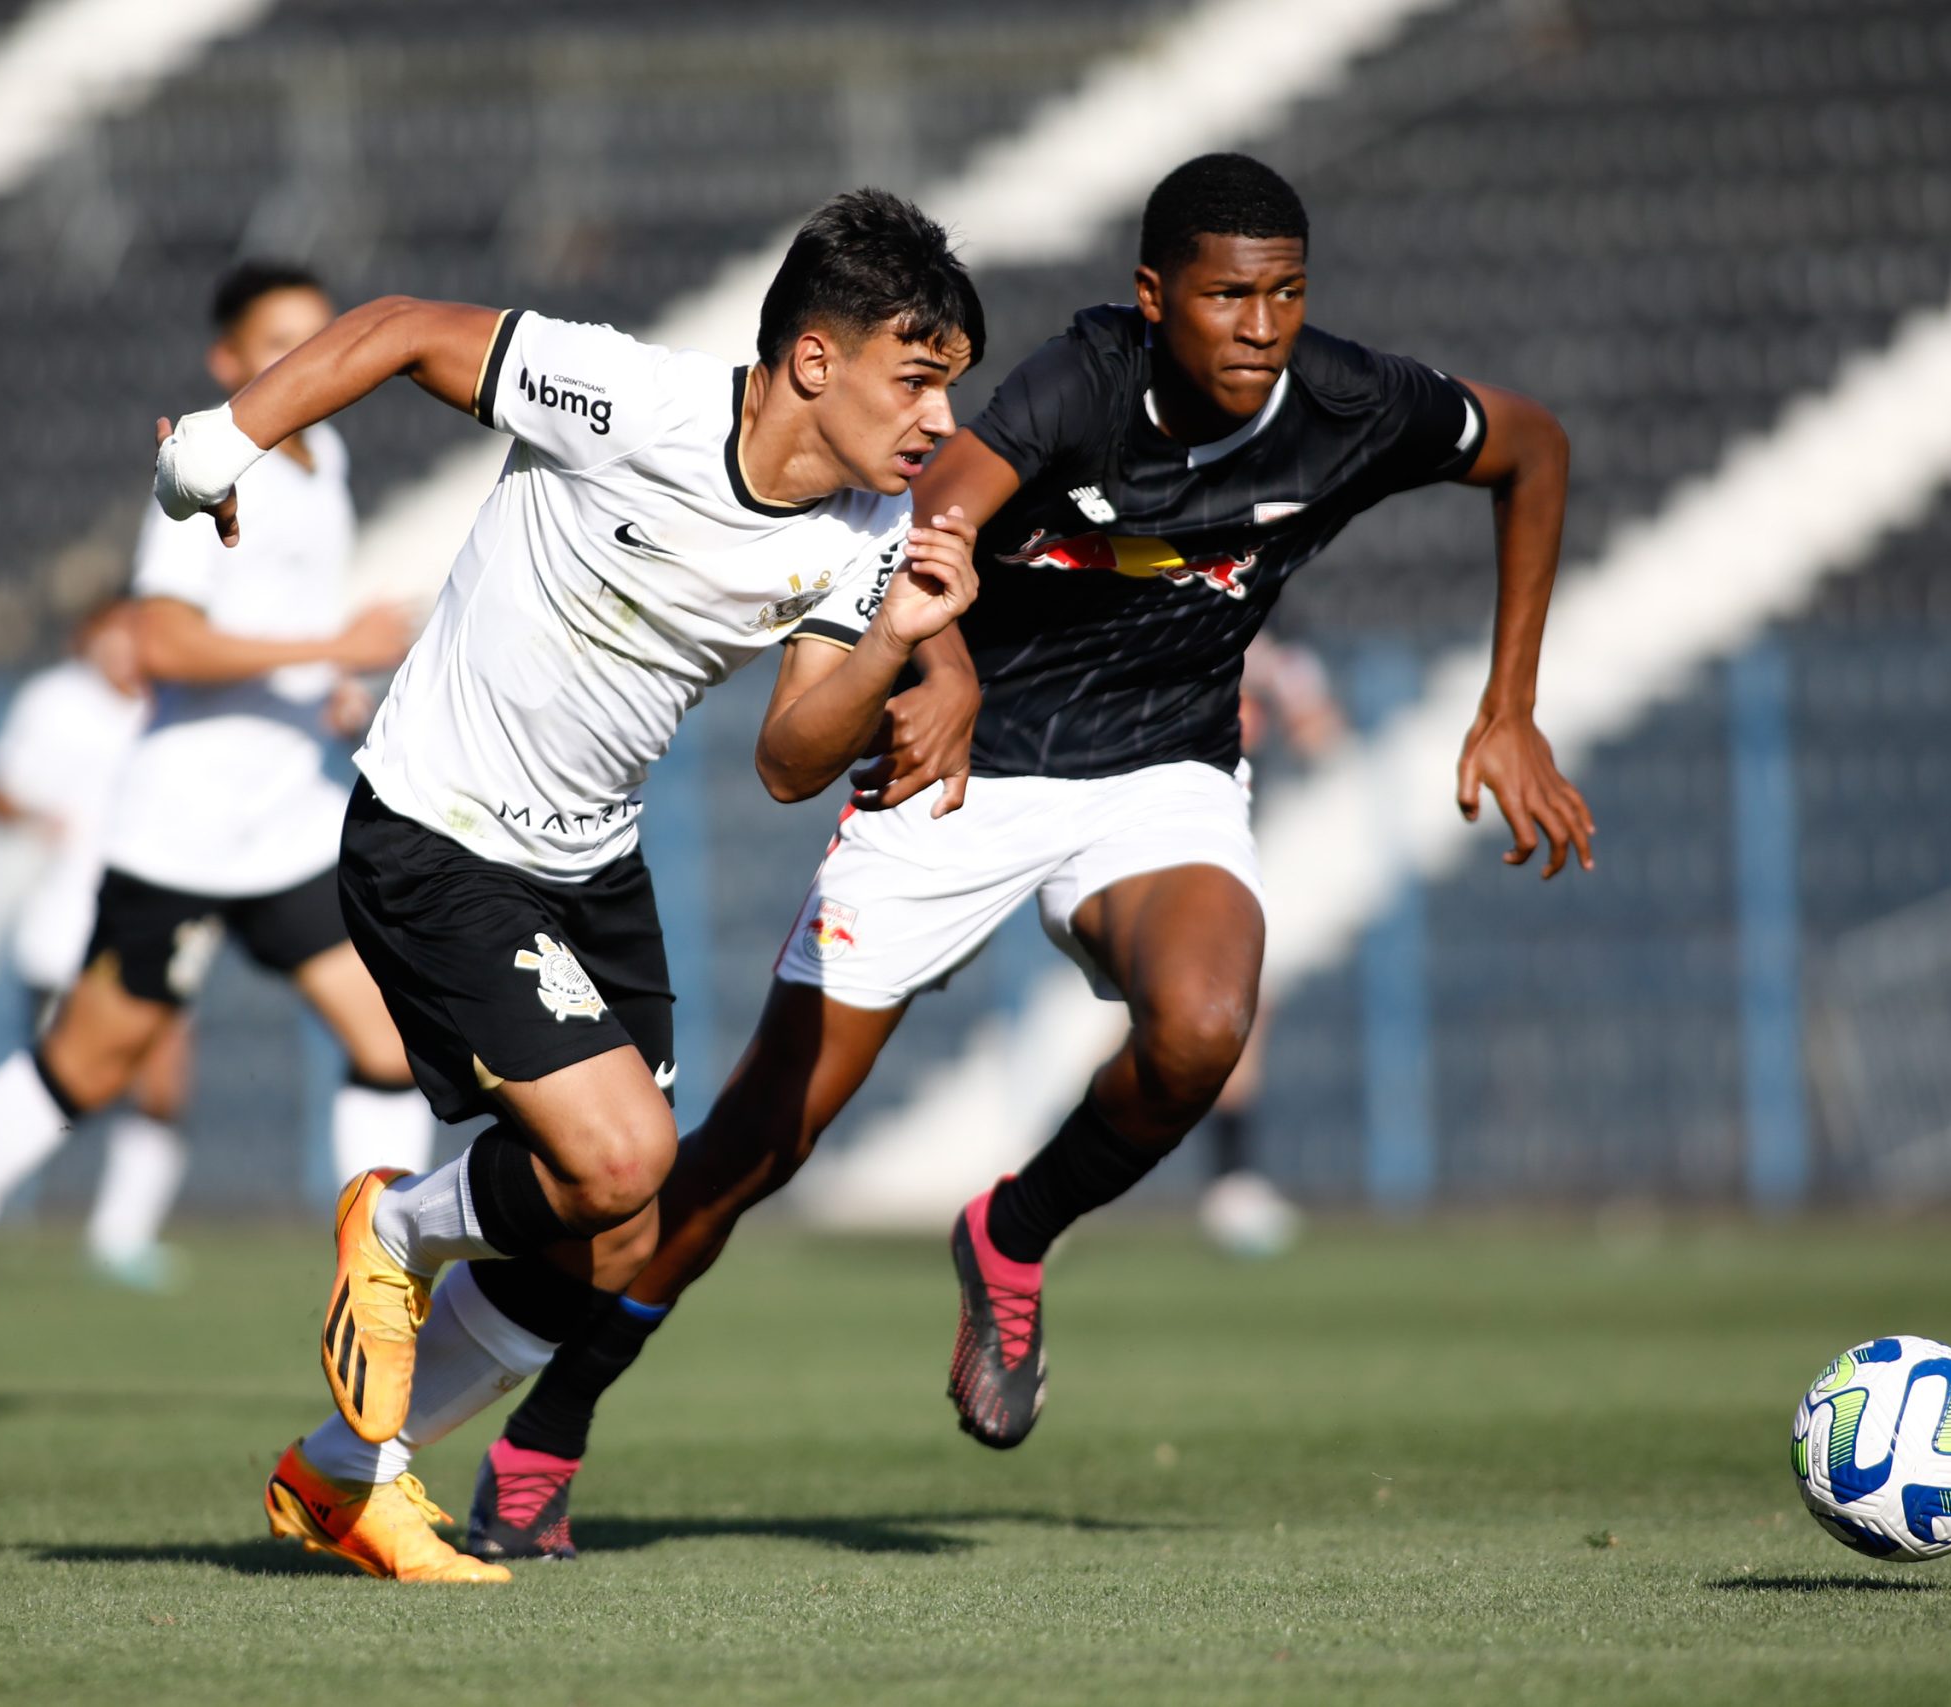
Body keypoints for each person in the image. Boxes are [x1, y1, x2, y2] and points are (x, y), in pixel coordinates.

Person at [461, 152, 1593, 1561]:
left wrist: (1510, 709)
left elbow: (1532, 448)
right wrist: (942, 669)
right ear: (1154, 295)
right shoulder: (1079, 384)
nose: (1262, 325)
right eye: (1230, 294)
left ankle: (1013, 1226)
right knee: (758, 1143)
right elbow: (938, 516)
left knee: (1203, 1024)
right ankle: (546, 1432)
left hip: (1160, 771)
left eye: (1287, 294)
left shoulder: (1355, 404)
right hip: (955, 771)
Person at [151, 191, 984, 1583]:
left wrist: (897, 636)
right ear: (816, 361)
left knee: (619, 1237)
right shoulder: (630, 397)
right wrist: (218, 447)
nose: (938, 423)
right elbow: (408, 329)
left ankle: (346, 1470)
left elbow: (790, 759)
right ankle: (400, 1223)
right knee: (623, 1158)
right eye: (918, 380)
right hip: (437, 830)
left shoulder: (868, 529)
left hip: (587, 865)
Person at [0, 261, 433, 1424]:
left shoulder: (332, 463)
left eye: (323, 341)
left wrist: (320, 688)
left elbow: (261, 636)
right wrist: (327, 644)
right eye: (278, 342)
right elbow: (157, 643)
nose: (307, 363)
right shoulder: (217, 460)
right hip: (179, 832)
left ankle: (382, 1306)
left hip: (284, 828)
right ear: (227, 364)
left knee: (387, 1036)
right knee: (85, 1068)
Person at [0, 595, 196, 1290]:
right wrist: (43, 815)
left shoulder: (171, 702)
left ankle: (120, 1235)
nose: (126, 650)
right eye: (114, 634)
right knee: (71, 1086)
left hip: (152, 920)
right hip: (67, 924)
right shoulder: (54, 702)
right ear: (89, 639)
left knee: (161, 1079)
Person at [1195, 631, 1344, 1258]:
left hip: (1222, 843)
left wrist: (1279, 683)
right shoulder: (1188, 622)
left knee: (1240, 1007)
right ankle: (1232, 1184)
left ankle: (1233, 1182)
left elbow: (1323, 737)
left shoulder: (1277, 652)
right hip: (1166, 839)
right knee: (1217, 1010)